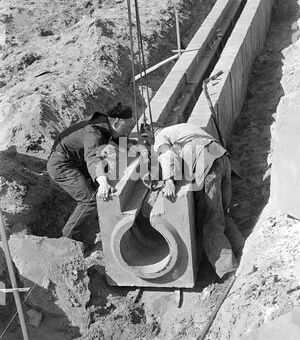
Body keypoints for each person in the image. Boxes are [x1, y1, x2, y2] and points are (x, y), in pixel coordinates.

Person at [148, 122, 244, 280]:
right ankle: (243, 250)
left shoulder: (160, 136)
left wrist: (169, 181)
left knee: (210, 221)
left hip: (206, 165)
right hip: (222, 158)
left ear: (152, 135)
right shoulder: (182, 128)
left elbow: (167, 155)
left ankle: (227, 270)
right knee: (222, 213)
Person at [47, 103, 133, 248]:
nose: (127, 130)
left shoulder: (105, 124)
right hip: (61, 166)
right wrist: (103, 183)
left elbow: (119, 138)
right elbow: (93, 158)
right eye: (127, 127)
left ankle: (95, 218)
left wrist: (137, 147)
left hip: (75, 161)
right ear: (117, 122)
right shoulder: (94, 133)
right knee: (89, 199)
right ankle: (67, 241)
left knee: (107, 171)